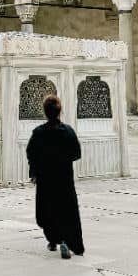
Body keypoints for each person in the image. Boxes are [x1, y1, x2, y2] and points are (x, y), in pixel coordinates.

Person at [25, 94, 84, 258]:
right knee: (66, 210)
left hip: (46, 179)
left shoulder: (39, 132)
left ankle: (53, 239)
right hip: (64, 178)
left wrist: (35, 171)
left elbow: (31, 153)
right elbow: (76, 153)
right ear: (60, 111)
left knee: (48, 209)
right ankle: (65, 240)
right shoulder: (68, 131)